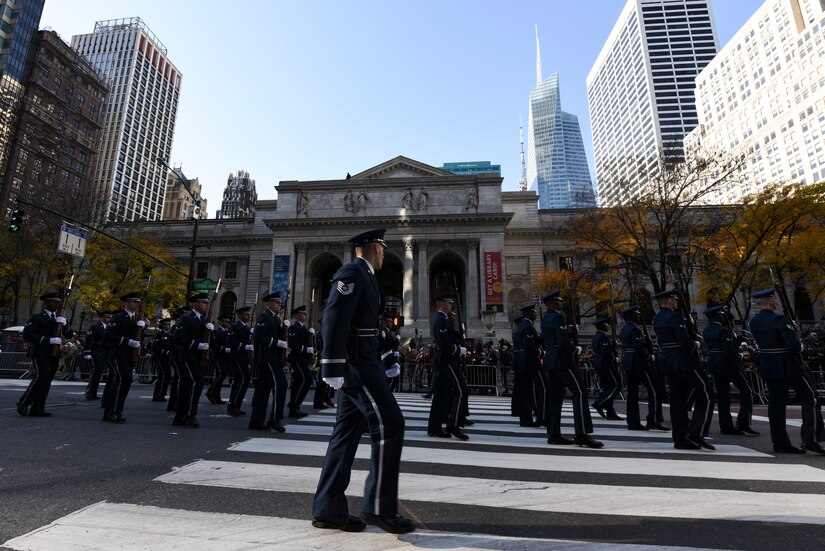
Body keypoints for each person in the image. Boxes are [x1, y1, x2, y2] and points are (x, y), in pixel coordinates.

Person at [312, 228, 412, 534]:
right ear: (371, 248)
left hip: (365, 362)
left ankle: (328, 509)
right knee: (390, 425)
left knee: (346, 434)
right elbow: (334, 317)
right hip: (357, 368)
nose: (384, 252)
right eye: (381, 247)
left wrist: (387, 359)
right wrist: (330, 365)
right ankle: (379, 508)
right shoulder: (352, 272)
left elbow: (367, 327)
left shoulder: (366, 276)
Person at [748, 288, 825, 454]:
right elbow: (794, 345)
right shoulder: (780, 319)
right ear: (769, 300)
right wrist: (798, 341)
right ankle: (809, 439)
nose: (776, 301)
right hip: (788, 365)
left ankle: (780, 442)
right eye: (774, 299)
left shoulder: (754, 322)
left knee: (776, 404)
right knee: (810, 397)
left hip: (768, 365)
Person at [652, 289, 714, 450]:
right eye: (674, 299)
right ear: (669, 301)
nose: (677, 301)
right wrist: (696, 344)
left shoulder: (657, 318)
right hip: (684, 360)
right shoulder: (675, 316)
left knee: (677, 401)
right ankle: (697, 433)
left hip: (668, 361)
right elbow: (685, 342)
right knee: (706, 392)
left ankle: (680, 438)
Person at [541, 291, 603, 448]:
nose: (562, 303)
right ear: (554, 302)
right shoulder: (557, 317)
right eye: (560, 300)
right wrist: (575, 350)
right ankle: (582, 433)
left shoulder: (545, 319)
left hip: (550, 359)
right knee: (580, 392)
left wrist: (569, 330)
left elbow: (554, 336)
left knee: (555, 397)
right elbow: (561, 341)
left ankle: (553, 433)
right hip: (562, 359)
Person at [701, 306, 759, 436]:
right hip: (728, 364)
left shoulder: (706, 331)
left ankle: (726, 425)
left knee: (722, 395)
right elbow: (730, 352)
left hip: (714, 363)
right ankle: (743, 423)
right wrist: (739, 355)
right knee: (747, 391)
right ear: (718, 316)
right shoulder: (723, 331)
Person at [16, 291, 74, 417]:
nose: (56, 304)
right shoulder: (37, 317)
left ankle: (37, 408)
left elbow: (69, 335)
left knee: (47, 380)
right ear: (46, 303)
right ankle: (23, 403)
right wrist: (47, 340)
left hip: (54, 353)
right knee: (42, 376)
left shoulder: (61, 317)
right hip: (40, 351)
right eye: (53, 302)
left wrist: (65, 324)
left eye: (58, 302)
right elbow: (27, 334)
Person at [426, 295, 470, 440]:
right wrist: (458, 350)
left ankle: (434, 428)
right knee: (461, 389)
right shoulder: (440, 320)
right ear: (444, 304)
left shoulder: (445, 320)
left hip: (445, 360)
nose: (452, 306)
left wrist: (459, 332)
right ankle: (453, 425)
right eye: (450, 303)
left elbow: (451, 339)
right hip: (446, 360)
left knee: (440, 395)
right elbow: (445, 345)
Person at [619, 306, 668, 431]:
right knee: (654, 389)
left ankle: (633, 421)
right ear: (632, 316)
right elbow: (639, 349)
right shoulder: (635, 330)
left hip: (629, 362)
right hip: (639, 362)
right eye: (636, 314)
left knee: (632, 394)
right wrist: (649, 357)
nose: (639, 315)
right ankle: (654, 419)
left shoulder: (624, 329)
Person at [170, 293, 213, 428]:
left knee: (187, 386)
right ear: (195, 304)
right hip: (187, 356)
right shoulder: (187, 319)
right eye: (203, 302)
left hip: (197, 357)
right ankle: (189, 414)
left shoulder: (204, 320)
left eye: (207, 303)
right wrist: (197, 345)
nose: (206, 305)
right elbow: (177, 338)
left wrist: (211, 333)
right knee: (197, 382)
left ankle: (180, 417)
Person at [249, 292, 288, 432]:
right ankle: (274, 419)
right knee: (281, 385)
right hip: (267, 356)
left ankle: (256, 422)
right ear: (269, 303)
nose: (279, 305)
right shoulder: (264, 317)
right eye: (276, 302)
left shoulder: (275, 318)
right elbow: (257, 336)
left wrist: (284, 328)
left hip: (273, 357)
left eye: (279, 302)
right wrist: (277, 342)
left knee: (263, 390)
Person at [102, 292, 144, 424]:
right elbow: (109, 336)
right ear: (126, 303)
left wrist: (143, 328)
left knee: (125, 381)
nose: (136, 304)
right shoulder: (118, 317)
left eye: (138, 302)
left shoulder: (136, 319)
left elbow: (137, 338)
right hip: (117, 354)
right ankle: (111, 412)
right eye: (133, 302)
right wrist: (127, 341)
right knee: (122, 380)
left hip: (129, 355)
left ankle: (116, 411)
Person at [512, 306, 544, 427]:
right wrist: (541, 353)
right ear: (527, 313)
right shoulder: (528, 327)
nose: (535, 314)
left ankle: (525, 419)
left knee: (525, 392)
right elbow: (529, 347)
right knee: (534, 389)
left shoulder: (521, 327)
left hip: (521, 362)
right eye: (533, 312)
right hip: (528, 362)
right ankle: (534, 416)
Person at [591, 316, 623, 421]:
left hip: (600, 364)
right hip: (605, 364)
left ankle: (610, 412)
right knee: (616, 385)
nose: (608, 326)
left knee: (607, 387)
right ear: (601, 326)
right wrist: (614, 358)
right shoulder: (602, 337)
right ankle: (599, 403)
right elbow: (605, 353)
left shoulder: (596, 336)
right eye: (606, 324)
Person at [287, 305, 314, 417]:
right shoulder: (294, 328)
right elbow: (292, 344)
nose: (306, 315)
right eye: (303, 314)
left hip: (302, 358)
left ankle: (295, 406)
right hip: (296, 357)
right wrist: (305, 349)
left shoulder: (304, 328)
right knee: (305, 378)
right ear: (297, 315)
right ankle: (294, 405)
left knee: (300, 380)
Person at [226, 306, 254, 416]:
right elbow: (230, 342)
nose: (248, 316)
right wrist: (244, 346)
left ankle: (234, 406)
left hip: (244, 358)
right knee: (245, 379)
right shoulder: (235, 327)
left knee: (239, 381)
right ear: (240, 315)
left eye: (249, 314)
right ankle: (234, 404)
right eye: (246, 314)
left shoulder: (247, 328)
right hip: (237, 357)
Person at [82, 311, 111, 401]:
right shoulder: (95, 327)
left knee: (100, 372)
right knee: (96, 371)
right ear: (102, 317)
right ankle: (89, 392)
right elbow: (89, 340)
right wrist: (87, 352)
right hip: (96, 351)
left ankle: (94, 393)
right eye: (107, 316)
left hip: (105, 352)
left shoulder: (109, 328)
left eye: (110, 317)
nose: (109, 318)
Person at [205, 315, 232, 405]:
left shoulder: (227, 332)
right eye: (225, 321)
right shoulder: (217, 332)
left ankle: (217, 397)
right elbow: (213, 344)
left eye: (228, 322)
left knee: (221, 375)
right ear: (220, 322)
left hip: (224, 357)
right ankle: (210, 392)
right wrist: (224, 349)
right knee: (222, 373)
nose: (227, 323)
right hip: (218, 356)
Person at [151, 318, 173, 402]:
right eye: (167, 324)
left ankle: (161, 394)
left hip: (167, 358)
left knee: (166, 376)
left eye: (169, 324)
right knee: (164, 375)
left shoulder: (171, 334)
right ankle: (158, 395)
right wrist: (165, 351)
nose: (169, 326)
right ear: (163, 325)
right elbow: (155, 347)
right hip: (160, 357)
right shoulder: (159, 334)